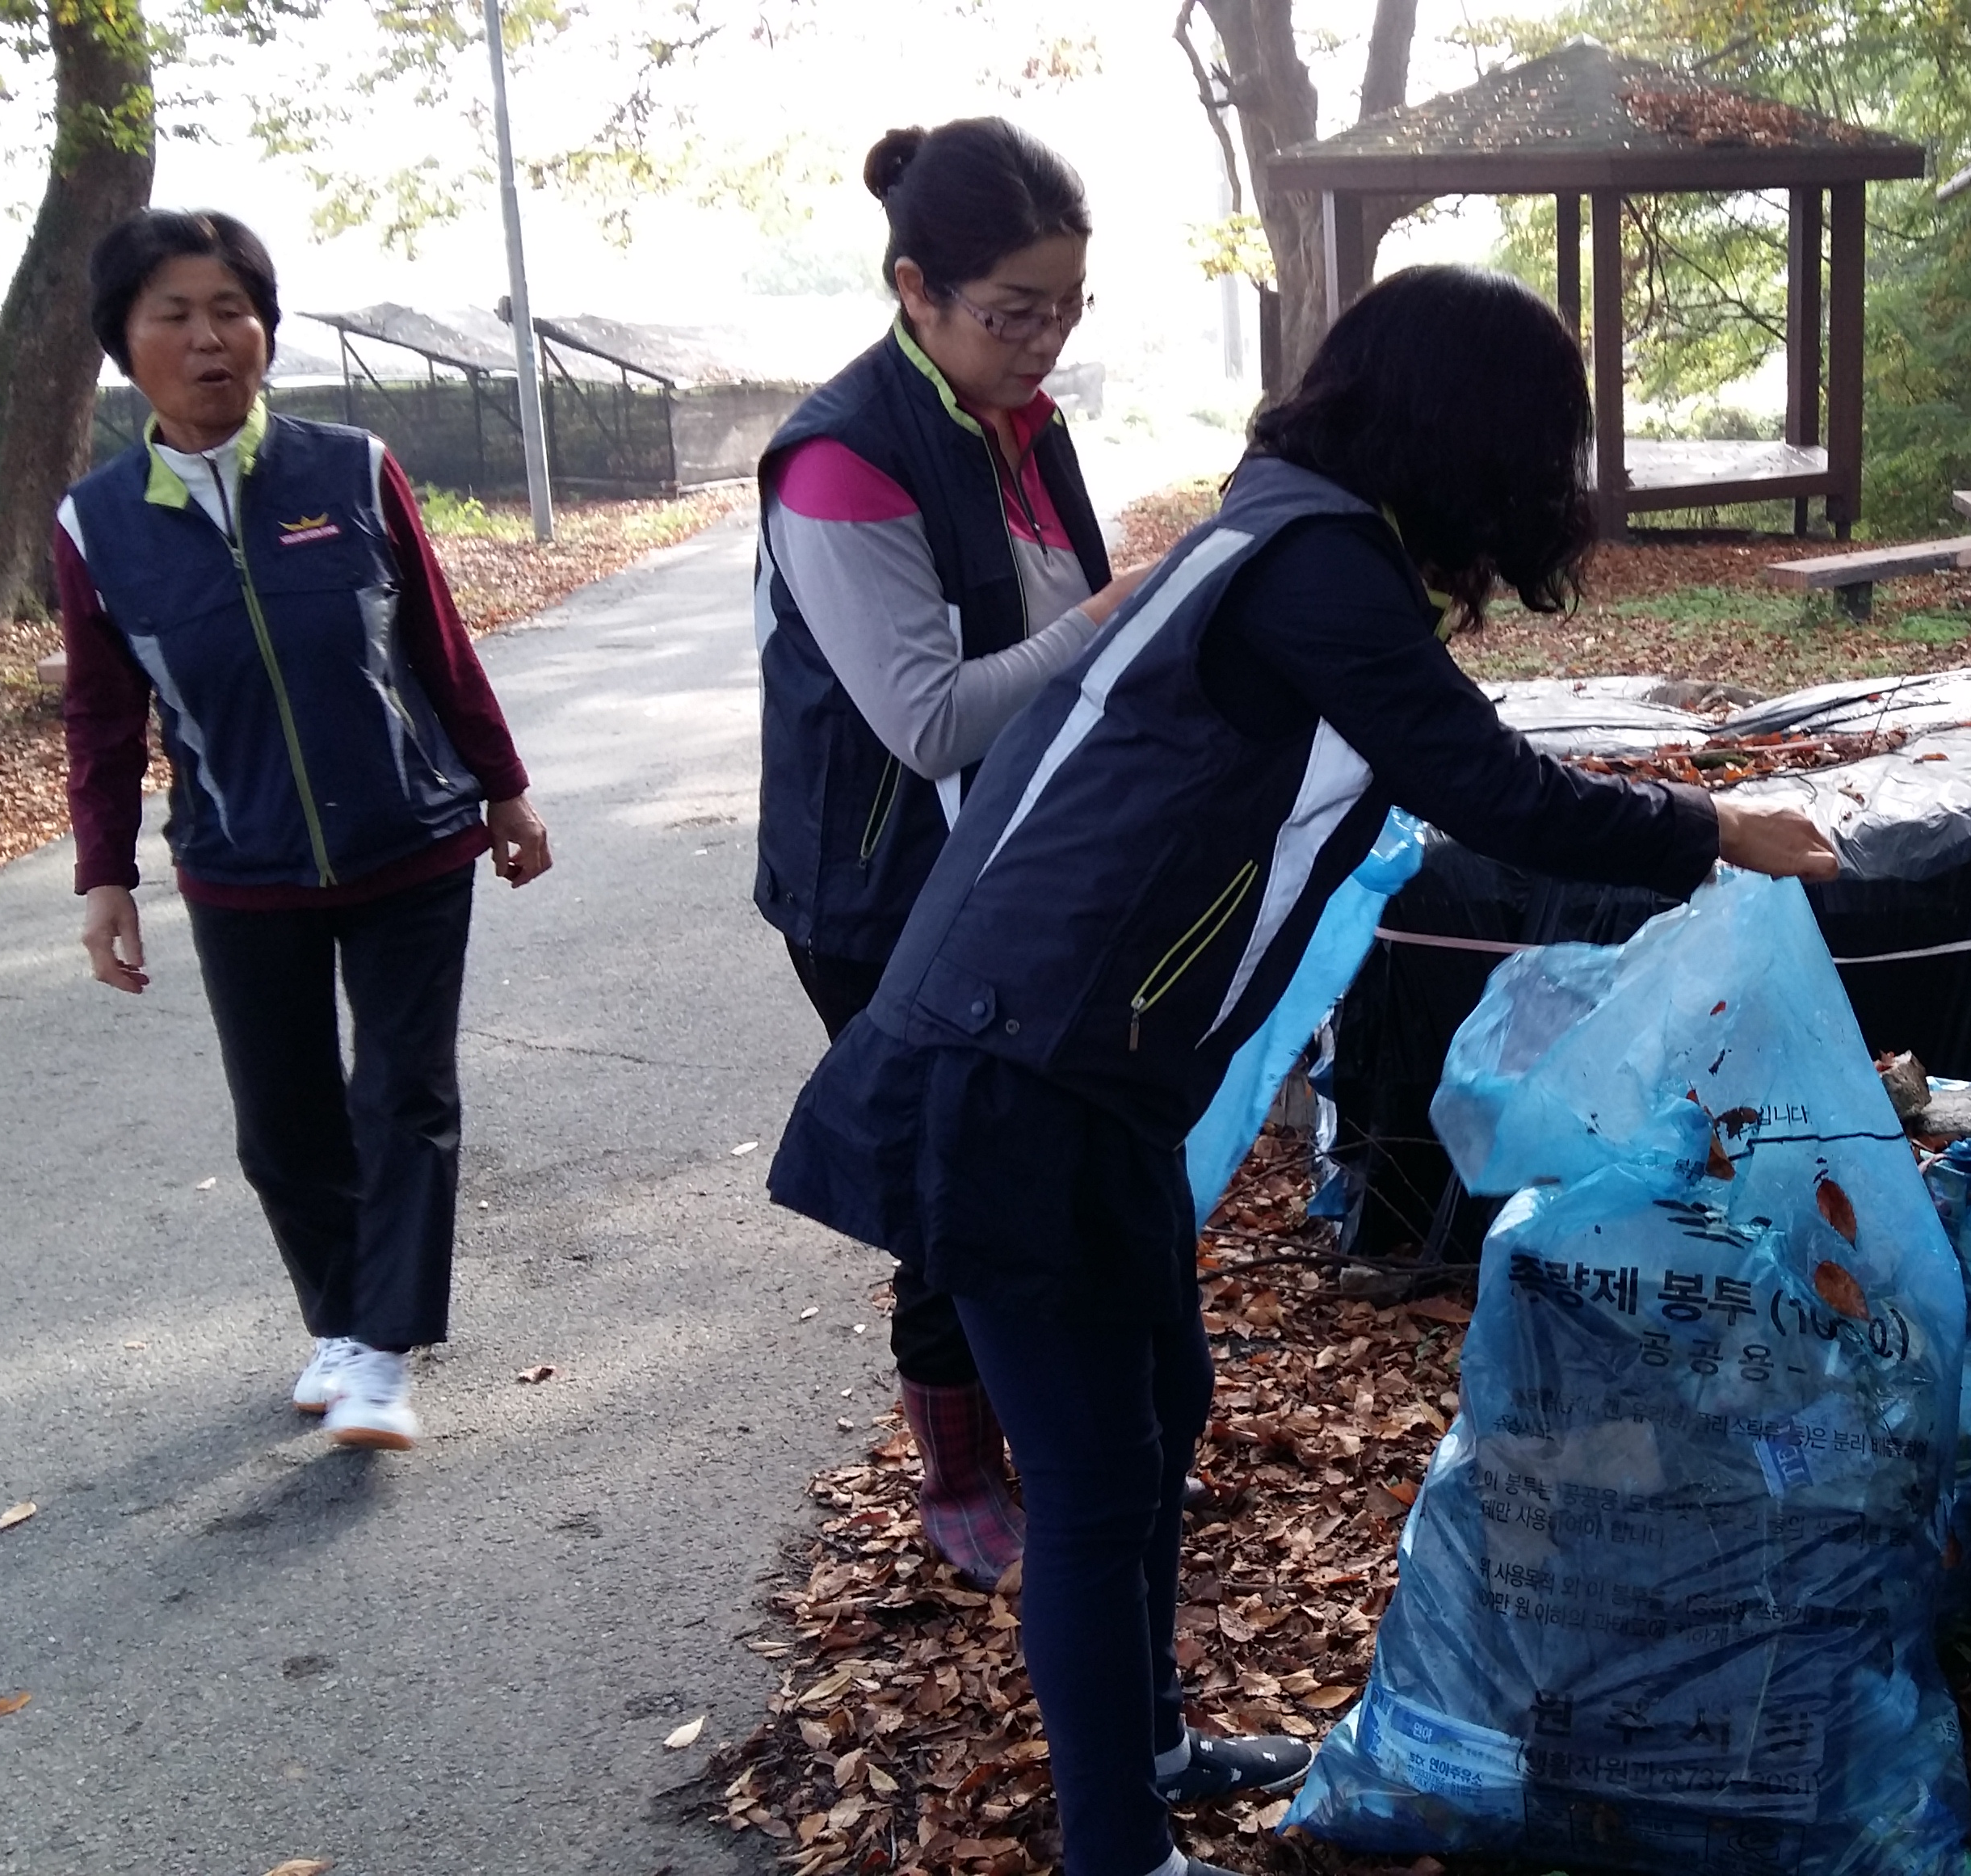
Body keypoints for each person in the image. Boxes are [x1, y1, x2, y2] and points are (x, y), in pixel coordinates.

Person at [768, 266, 1843, 1876]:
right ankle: (1116, 1851)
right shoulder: (1313, 563)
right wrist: (1714, 828)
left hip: (1085, 1073)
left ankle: (1148, 1749)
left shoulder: (1287, 527)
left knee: (1163, 1408)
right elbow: (1490, 785)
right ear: (1463, 433)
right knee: (1089, 1479)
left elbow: (1442, 752)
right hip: (1011, 1078)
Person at [59, 208, 553, 1452]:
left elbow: (437, 644)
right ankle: (340, 1318)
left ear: (265, 331)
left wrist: (504, 788)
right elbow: (102, 715)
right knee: (282, 1124)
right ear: (125, 342)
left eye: (232, 310)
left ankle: (381, 1349)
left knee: (403, 1095)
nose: (210, 338)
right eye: (176, 314)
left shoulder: (351, 468)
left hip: (410, 842)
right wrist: (104, 874)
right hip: (242, 863)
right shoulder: (96, 524)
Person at [756, 117, 1149, 1586]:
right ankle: (958, 1471)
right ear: (916, 288)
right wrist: (1109, 621)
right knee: (949, 1190)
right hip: (880, 891)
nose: (1045, 342)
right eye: (1013, 312)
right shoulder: (840, 461)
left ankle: (1054, 1431)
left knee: (1035, 1163)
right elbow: (926, 721)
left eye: (1068, 308)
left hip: (1012, 866)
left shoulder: (1022, 422)